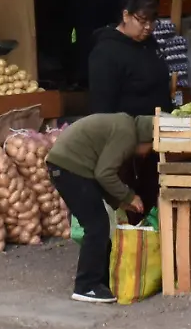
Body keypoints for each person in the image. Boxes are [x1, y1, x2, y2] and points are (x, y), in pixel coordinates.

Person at [46, 112, 155, 303]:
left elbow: (98, 177)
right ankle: (86, 286)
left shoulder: (124, 126)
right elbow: (104, 174)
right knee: (96, 226)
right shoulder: (127, 134)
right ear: (146, 138)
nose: (148, 152)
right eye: (151, 147)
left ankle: (100, 280)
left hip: (71, 167)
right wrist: (130, 196)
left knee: (99, 224)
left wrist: (119, 202)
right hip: (69, 168)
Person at [89, 0, 171, 117]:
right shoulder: (105, 52)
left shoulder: (150, 43)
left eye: (152, 21)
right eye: (142, 21)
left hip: (162, 127)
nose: (148, 27)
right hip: (129, 131)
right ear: (126, 16)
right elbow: (102, 109)